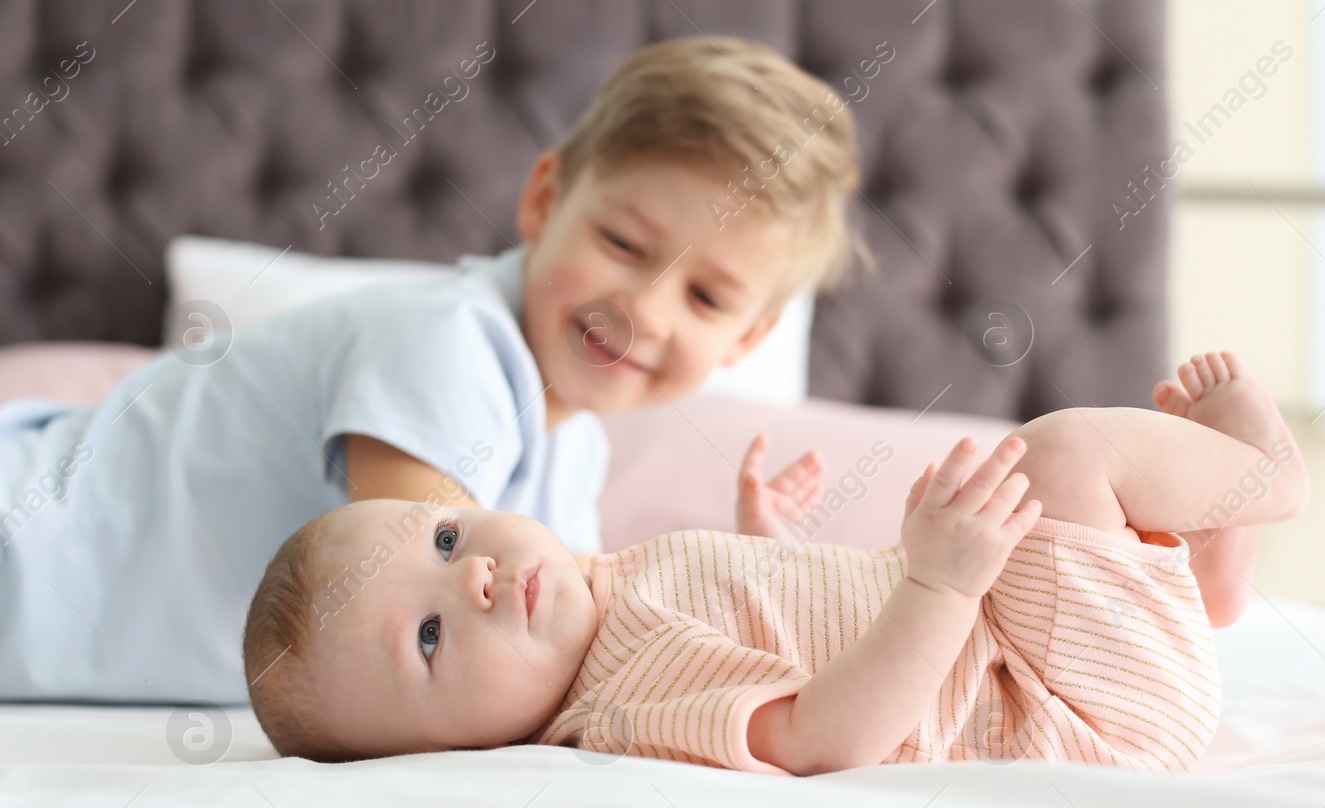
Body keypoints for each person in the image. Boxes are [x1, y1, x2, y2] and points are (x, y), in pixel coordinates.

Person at [0, 36, 857, 703]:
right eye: (624, 244)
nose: (648, 311)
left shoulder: (573, 459)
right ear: (545, 199)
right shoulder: (447, 344)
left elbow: (590, 645)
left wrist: (750, 590)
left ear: (750, 339)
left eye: (707, 299)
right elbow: (451, 614)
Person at [243, 352, 1310, 775]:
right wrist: (939, 581)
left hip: (1061, 664)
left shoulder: (614, 598)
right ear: (432, 752)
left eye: (442, 538)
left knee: (1039, 498)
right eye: (429, 636)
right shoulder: (621, 694)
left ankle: (1207, 587)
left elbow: (791, 640)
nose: (470, 579)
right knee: (1057, 456)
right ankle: (1262, 475)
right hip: (1073, 709)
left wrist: (766, 547)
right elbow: (819, 732)